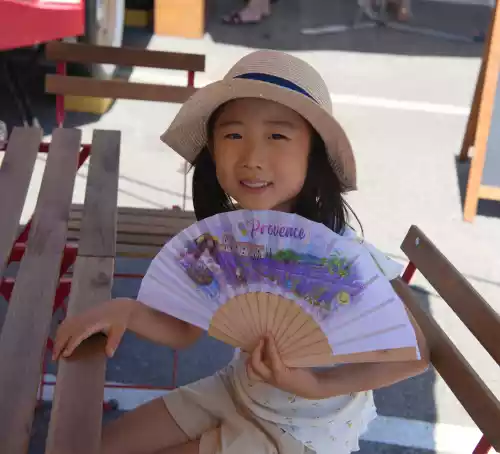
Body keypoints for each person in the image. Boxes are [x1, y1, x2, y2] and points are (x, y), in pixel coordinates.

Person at [52, 50, 429, 454]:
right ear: (212, 152)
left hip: (303, 433)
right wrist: (125, 311)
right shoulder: (226, 238)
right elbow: (183, 329)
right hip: (235, 389)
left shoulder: (344, 257)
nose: (252, 158)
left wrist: (314, 384)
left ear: (313, 153)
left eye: (277, 136)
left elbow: (416, 355)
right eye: (233, 135)